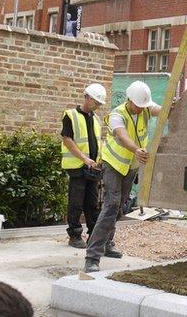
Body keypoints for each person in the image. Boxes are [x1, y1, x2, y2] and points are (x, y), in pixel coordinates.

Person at [84, 80, 161, 272]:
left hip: (131, 166)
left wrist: (173, 105)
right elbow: (121, 136)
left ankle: (107, 243)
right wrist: (136, 150)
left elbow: (160, 110)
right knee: (111, 205)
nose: (140, 109)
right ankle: (92, 256)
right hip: (114, 164)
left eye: (144, 106)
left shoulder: (143, 107)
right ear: (129, 100)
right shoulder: (117, 115)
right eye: (137, 105)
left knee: (119, 208)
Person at [61, 83, 106, 248]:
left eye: (100, 104)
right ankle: (74, 235)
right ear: (86, 97)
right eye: (96, 102)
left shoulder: (95, 118)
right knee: (76, 203)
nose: (98, 106)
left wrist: (98, 161)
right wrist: (85, 159)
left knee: (92, 203)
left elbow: (97, 141)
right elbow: (67, 140)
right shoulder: (70, 115)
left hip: (93, 168)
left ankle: (94, 235)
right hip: (77, 167)